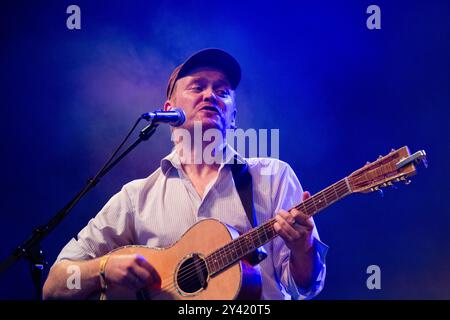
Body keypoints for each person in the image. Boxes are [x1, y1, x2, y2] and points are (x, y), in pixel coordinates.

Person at [43, 48, 328, 300]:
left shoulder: (273, 176)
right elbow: (54, 285)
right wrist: (103, 268)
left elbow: (305, 287)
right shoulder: (136, 197)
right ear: (169, 109)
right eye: (197, 87)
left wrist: (303, 248)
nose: (210, 95)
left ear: (233, 116)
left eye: (222, 91)